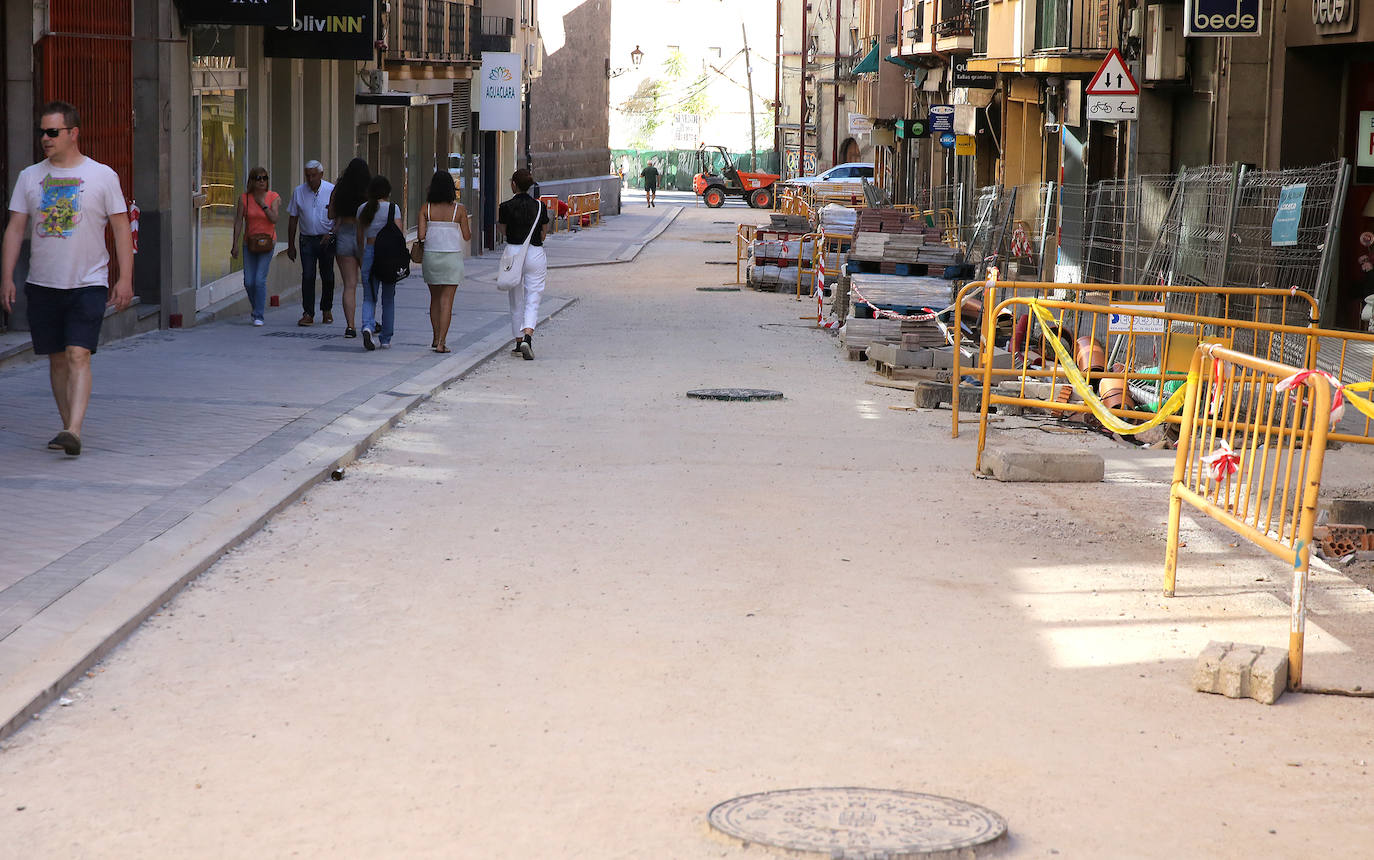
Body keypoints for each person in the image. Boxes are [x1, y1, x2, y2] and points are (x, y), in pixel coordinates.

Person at [0, 100, 133, 457]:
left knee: (78, 354)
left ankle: (74, 428)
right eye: (42, 131)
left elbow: (121, 230)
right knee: (57, 359)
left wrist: (125, 279)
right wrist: (7, 277)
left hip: (88, 282)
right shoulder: (30, 177)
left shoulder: (102, 176)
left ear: (73, 134)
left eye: (53, 132)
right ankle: (68, 428)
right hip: (43, 284)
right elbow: (15, 229)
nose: (45, 138)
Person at [497, 168, 550, 360]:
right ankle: (528, 335)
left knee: (516, 298)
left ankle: (519, 341)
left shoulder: (505, 207)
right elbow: (544, 233)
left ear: (514, 184)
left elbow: (503, 230)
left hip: (514, 252)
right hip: (535, 252)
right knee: (533, 297)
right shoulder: (540, 206)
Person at [417, 170, 472, 353]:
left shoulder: (426, 209)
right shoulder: (460, 210)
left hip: (432, 256)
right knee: (447, 300)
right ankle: (442, 342)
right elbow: (466, 236)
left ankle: (434, 338)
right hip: (452, 258)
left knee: (434, 299)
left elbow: (421, 235)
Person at [356, 174, 403, 351]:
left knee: (369, 296)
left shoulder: (362, 209)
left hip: (369, 252)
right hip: (388, 256)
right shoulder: (393, 208)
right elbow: (399, 234)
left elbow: (359, 238)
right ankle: (385, 339)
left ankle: (367, 326)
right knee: (388, 298)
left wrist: (362, 258)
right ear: (388, 192)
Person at [285, 160, 335, 326]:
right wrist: (290, 245)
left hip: (326, 239)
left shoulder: (331, 190)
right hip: (307, 240)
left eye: (314, 175)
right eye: (308, 176)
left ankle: (326, 309)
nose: (311, 179)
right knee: (308, 276)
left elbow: (338, 216)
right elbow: (293, 219)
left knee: (327, 275)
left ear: (321, 174)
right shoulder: (299, 191)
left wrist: (332, 233)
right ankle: (308, 313)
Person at [230, 166, 280, 326]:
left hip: (267, 243)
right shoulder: (244, 198)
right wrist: (235, 244)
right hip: (249, 243)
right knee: (248, 281)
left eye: (265, 178)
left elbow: (274, 219)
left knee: (259, 279)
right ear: (251, 181)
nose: (262, 181)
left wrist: (262, 204)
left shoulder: (273, 197)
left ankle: (259, 315)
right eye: (258, 178)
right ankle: (256, 307)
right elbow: (239, 221)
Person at [329, 157, 370, 338]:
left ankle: (350, 326)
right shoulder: (369, 190)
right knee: (369, 283)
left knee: (349, 285)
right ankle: (368, 322)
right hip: (364, 235)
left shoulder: (339, 189)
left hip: (344, 234)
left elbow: (330, 213)